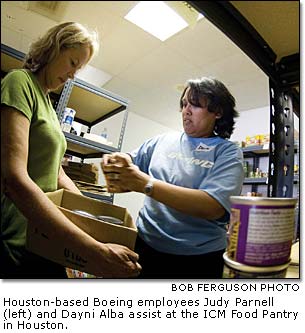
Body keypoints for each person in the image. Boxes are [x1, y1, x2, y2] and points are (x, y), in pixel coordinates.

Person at [1, 22, 141, 278]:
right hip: (19, 236)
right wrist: (96, 251)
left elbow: (57, 174)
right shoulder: (19, 82)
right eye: (73, 62)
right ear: (54, 48)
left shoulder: (49, 106)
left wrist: (95, 215)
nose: (74, 74)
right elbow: (15, 180)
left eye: (80, 68)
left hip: (45, 236)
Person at [101, 77, 244, 279]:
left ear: (218, 112)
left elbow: (213, 207)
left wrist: (147, 184)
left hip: (198, 259)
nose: (186, 110)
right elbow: (131, 162)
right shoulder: (163, 140)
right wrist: (118, 161)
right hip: (145, 246)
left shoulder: (228, 152)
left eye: (195, 104)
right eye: (184, 104)